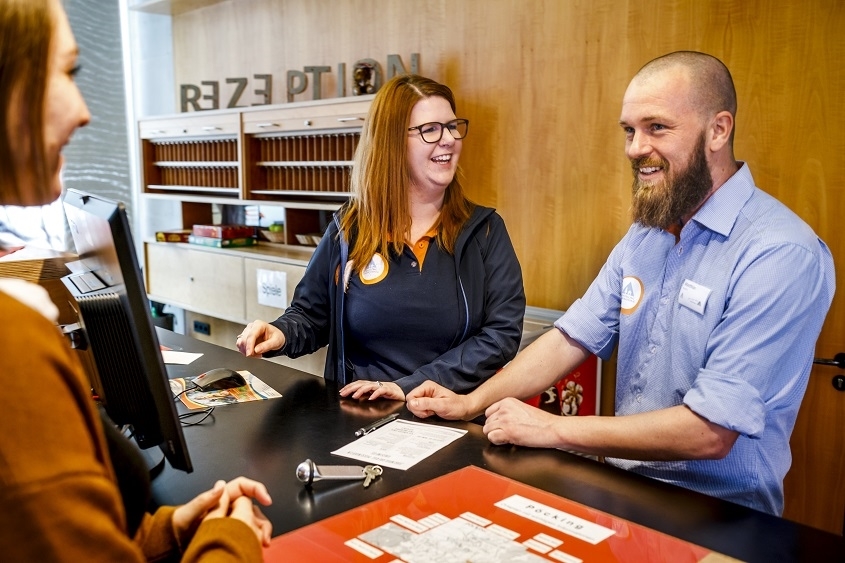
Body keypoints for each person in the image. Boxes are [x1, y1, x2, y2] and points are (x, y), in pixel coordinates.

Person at [407, 51, 835, 516]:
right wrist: (472, 402)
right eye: (629, 131)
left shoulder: (780, 251)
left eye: (657, 128)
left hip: (719, 515)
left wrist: (552, 429)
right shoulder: (646, 235)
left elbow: (710, 430)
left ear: (718, 130)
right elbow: (571, 337)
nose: (634, 148)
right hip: (622, 493)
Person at [0, 1, 272, 560]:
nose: (84, 111)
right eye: (67, 72)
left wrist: (166, 533)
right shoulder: (12, 348)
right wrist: (234, 536)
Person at [237, 74, 525, 401]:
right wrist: (281, 332)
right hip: (360, 418)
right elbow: (312, 315)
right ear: (392, 143)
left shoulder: (485, 231)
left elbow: (501, 336)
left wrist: (409, 387)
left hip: (451, 418)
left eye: (452, 126)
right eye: (430, 130)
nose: (448, 139)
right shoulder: (349, 227)